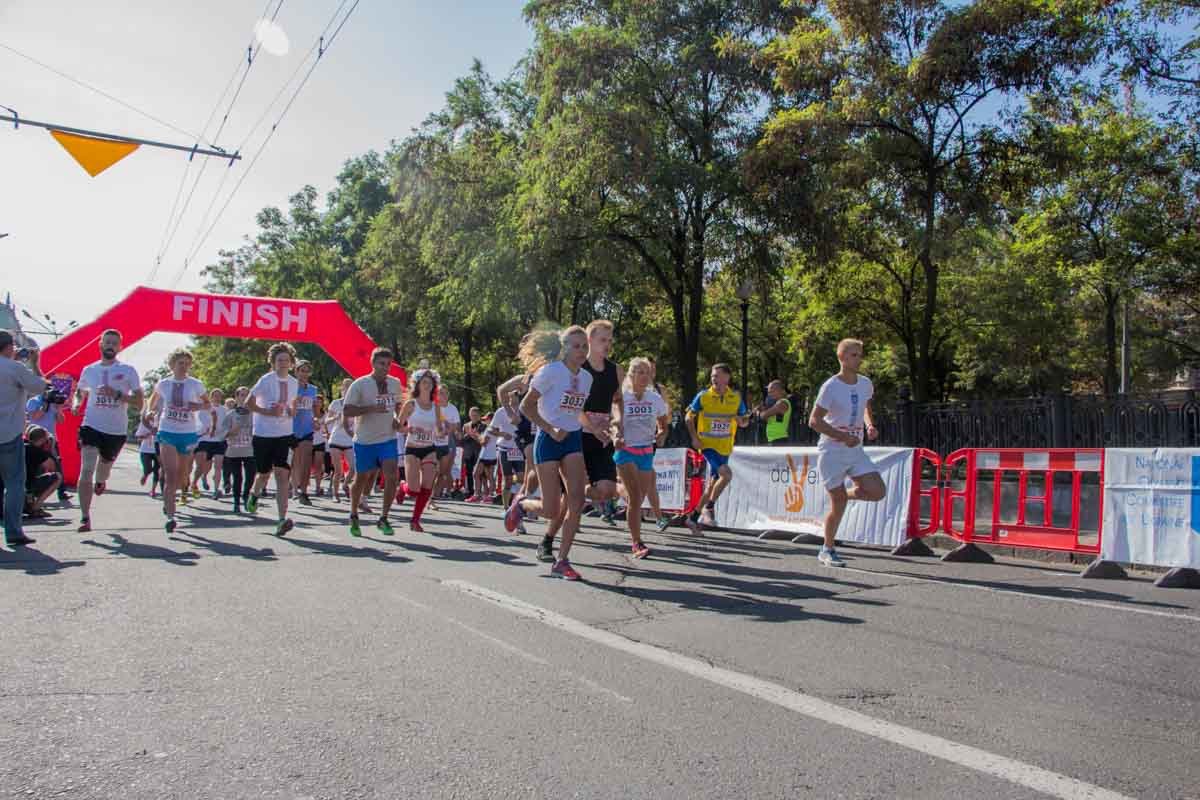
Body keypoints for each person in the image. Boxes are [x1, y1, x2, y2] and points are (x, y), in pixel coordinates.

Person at [504, 326, 596, 581]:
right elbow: (526, 405)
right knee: (551, 509)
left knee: (577, 501)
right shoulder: (550, 372)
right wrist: (550, 428)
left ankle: (562, 560)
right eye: (576, 346)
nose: (581, 351)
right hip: (548, 439)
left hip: (573, 439)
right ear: (565, 349)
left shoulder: (587, 378)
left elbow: (575, 409)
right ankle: (522, 504)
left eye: (584, 346)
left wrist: (594, 429)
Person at [808, 338, 886, 567]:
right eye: (854, 355)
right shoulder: (831, 386)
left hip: (856, 450)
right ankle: (827, 549)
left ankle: (844, 494)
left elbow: (865, 408)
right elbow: (814, 421)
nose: (858, 359)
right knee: (838, 505)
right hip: (832, 451)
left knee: (877, 491)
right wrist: (843, 437)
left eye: (860, 354)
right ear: (841, 358)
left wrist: (869, 425)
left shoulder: (865, 383)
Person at [73, 328, 143, 533]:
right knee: (86, 468)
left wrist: (118, 394)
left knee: (103, 469)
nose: (110, 346)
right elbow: (81, 392)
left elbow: (139, 402)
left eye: (114, 343)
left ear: (120, 347)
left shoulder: (128, 371)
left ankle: (101, 481)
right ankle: (85, 517)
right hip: (91, 425)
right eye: (107, 342)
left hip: (115, 430)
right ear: (100, 345)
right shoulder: (89, 370)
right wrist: (78, 403)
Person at [613, 357, 671, 558]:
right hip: (625, 450)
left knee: (637, 500)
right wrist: (616, 435)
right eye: (639, 372)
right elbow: (613, 421)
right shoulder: (622, 397)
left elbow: (663, 423)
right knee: (636, 497)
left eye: (647, 372)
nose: (644, 376)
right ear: (631, 375)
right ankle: (636, 542)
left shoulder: (654, 398)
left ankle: (615, 490)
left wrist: (662, 433)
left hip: (646, 451)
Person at [343, 348, 403, 536]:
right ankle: (353, 514)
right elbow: (347, 410)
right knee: (361, 478)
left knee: (392, 476)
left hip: (388, 438)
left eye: (388, 364)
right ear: (373, 364)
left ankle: (384, 518)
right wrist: (370, 408)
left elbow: (399, 406)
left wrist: (398, 418)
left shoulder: (395, 383)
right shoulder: (360, 384)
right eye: (381, 364)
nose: (385, 368)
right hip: (365, 440)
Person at [685, 363, 749, 532]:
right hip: (707, 446)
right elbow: (688, 417)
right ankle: (709, 508)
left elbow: (745, 420)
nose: (713, 378)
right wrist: (694, 438)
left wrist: (742, 421)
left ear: (727, 378)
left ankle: (692, 518)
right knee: (726, 475)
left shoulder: (735, 398)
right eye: (712, 375)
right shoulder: (703, 396)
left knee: (711, 488)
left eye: (717, 375)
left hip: (725, 448)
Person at [148, 348, 205, 533]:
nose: (184, 367)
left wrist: (195, 406)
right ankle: (171, 516)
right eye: (181, 363)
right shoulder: (163, 384)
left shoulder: (195, 384)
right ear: (172, 365)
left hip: (187, 433)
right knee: (170, 474)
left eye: (187, 364)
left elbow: (207, 403)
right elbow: (153, 401)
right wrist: (151, 411)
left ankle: (173, 497)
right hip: (167, 431)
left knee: (182, 476)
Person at [246, 342, 300, 537]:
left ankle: (281, 519)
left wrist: (292, 411)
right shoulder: (265, 380)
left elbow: (292, 404)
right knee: (263, 474)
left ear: (291, 362)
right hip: (263, 434)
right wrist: (266, 411)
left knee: (282, 476)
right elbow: (248, 403)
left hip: (285, 435)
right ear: (273, 362)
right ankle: (254, 495)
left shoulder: (294, 383)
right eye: (279, 360)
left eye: (286, 360)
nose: (283, 363)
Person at [1, 332, 47, 547]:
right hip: (9, 435)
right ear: (9, 347)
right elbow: (39, 386)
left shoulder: (12, 366)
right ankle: (13, 531)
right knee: (14, 484)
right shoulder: (15, 368)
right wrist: (34, 363)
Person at [580, 320, 622, 524]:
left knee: (608, 490)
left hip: (603, 435)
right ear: (589, 340)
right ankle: (525, 504)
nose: (607, 345)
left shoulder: (616, 370)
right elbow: (571, 405)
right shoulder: (578, 367)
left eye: (610, 340)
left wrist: (617, 424)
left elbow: (617, 401)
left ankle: (580, 494)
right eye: (603, 340)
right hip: (577, 433)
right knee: (562, 501)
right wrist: (591, 426)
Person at [395, 367, 443, 533]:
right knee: (414, 489)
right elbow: (398, 427)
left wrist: (445, 430)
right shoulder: (410, 404)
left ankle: (415, 520)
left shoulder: (435, 407)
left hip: (429, 448)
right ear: (418, 384)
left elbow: (439, 430)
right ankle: (402, 488)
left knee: (427, 486)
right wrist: (410, 430)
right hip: (412, 449)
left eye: (430, 382)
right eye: (424, 382)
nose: (427, 385)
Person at [490, 389, 527, 514]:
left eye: (515, 396)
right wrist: (502, 433)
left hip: (520, 449)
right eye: (509, 396)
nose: (512, 398)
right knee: (508, 479)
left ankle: (519, 506)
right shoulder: (501, 411)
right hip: (505, 448)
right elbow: (491, 430)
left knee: (522, 478)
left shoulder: (525, 410)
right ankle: (506, 507)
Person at [290, 360, 318, 506]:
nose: (304, 374)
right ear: (296, 372)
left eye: (307, 371)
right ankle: (295, 489)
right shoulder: (290, 387)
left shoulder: (313, 389)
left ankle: (304, 492)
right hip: (292, 429)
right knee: (296, 462)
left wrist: (315, 420)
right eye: (302, 370)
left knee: (306, 460)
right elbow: (286, 408)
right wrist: (294, 401)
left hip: (307, 428)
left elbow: (314, 409)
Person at [224, 386, 256, 514]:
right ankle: (236, 502)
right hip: (234, 450)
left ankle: (246, 495)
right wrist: (231, 432)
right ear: (236, 397)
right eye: (241, 395)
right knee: (237, 477)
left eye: (246, 395)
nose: (244, 397)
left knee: (251, 476)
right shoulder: (231, 414)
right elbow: (221, 433)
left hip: (250, 449)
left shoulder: (254, 413)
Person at [193, 388, 229, 499]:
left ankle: (216, 490)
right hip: (205, 440)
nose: (217, 398)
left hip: (219, 441)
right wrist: (206, 429)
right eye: (215, 395)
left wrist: (223, 432)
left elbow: (226, 424)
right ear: (211, 397)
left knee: (218, 466)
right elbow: (199, 422)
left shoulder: (224, 410)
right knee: (203, 466)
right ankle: (196, 481)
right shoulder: (204, 408)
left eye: (219, 396)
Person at [326, 378, 357, 505]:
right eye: (346, 388)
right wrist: (335, 417)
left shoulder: (356, 405)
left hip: (349, 439)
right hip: (336, 439)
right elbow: (326, 421)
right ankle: (335, 494)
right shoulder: (336, 403)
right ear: (342, 389)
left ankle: (345, 485)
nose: (348, 390)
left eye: (351, 388)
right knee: (338, 470)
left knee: (353, 468)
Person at [23, 425, 60, 519]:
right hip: (28, 488)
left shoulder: (21, 446)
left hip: (14, 487)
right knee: (57, 477)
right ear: (43, 439)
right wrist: (50, 449)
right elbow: (53, 467)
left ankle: (28, 504)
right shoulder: (37, 451)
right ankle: (34, 508)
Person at [432, 388, 461, 505]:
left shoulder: (452, 408)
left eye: (445, 393)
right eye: (440, 393)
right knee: (432, 470)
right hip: (432, 441)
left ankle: (436, 495)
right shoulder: (432, 406)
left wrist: (450, 429)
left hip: (448, 441)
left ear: (448, 395)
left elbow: (457, 426)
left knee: (444, 471)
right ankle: (429, 494)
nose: (443, 395)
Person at [755, 380, 793, 446]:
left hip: (779, 439)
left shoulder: (782, 403)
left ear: (778, 390)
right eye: (769, 392)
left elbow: (764, 416)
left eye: (771, 392)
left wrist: (759, 412)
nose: (769, 395)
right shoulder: (778, 403)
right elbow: (768, 419)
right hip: (774, 439)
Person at [134, 410, 162, 498]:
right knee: (148, 469)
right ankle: (145, 474)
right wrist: (147, 435)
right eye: (150, 414)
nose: (152, 415)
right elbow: (138, 437)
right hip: (145, 450)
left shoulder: (160, 425)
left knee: (157, 471)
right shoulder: (144, 424)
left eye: (154, 414)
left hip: (158, 451)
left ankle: (153, 490)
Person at [460, 406, 484, 501]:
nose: (473, 417)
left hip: (479, 452)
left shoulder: (483, 426)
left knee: (480, 473)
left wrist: (475, 435)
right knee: (468, 473)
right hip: (468, 452)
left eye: (475, 415)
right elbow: (461, 440)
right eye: (472, 415)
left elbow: (483, 440)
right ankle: (470, 491)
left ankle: (479, 492)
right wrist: (468, 434)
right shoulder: (465, 426)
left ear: (479, 416)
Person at [310, 393, 329, 497]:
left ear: (322, 404)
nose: (317, 403)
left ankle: (318, 487)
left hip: (320, 442)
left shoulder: (325, 414)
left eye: (319, 401)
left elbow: (327, 428)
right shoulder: (308, 413)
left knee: (318, 466)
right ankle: (297, 484)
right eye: (315, 401)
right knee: (305, 466)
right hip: (308, 441)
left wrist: (327, 433)